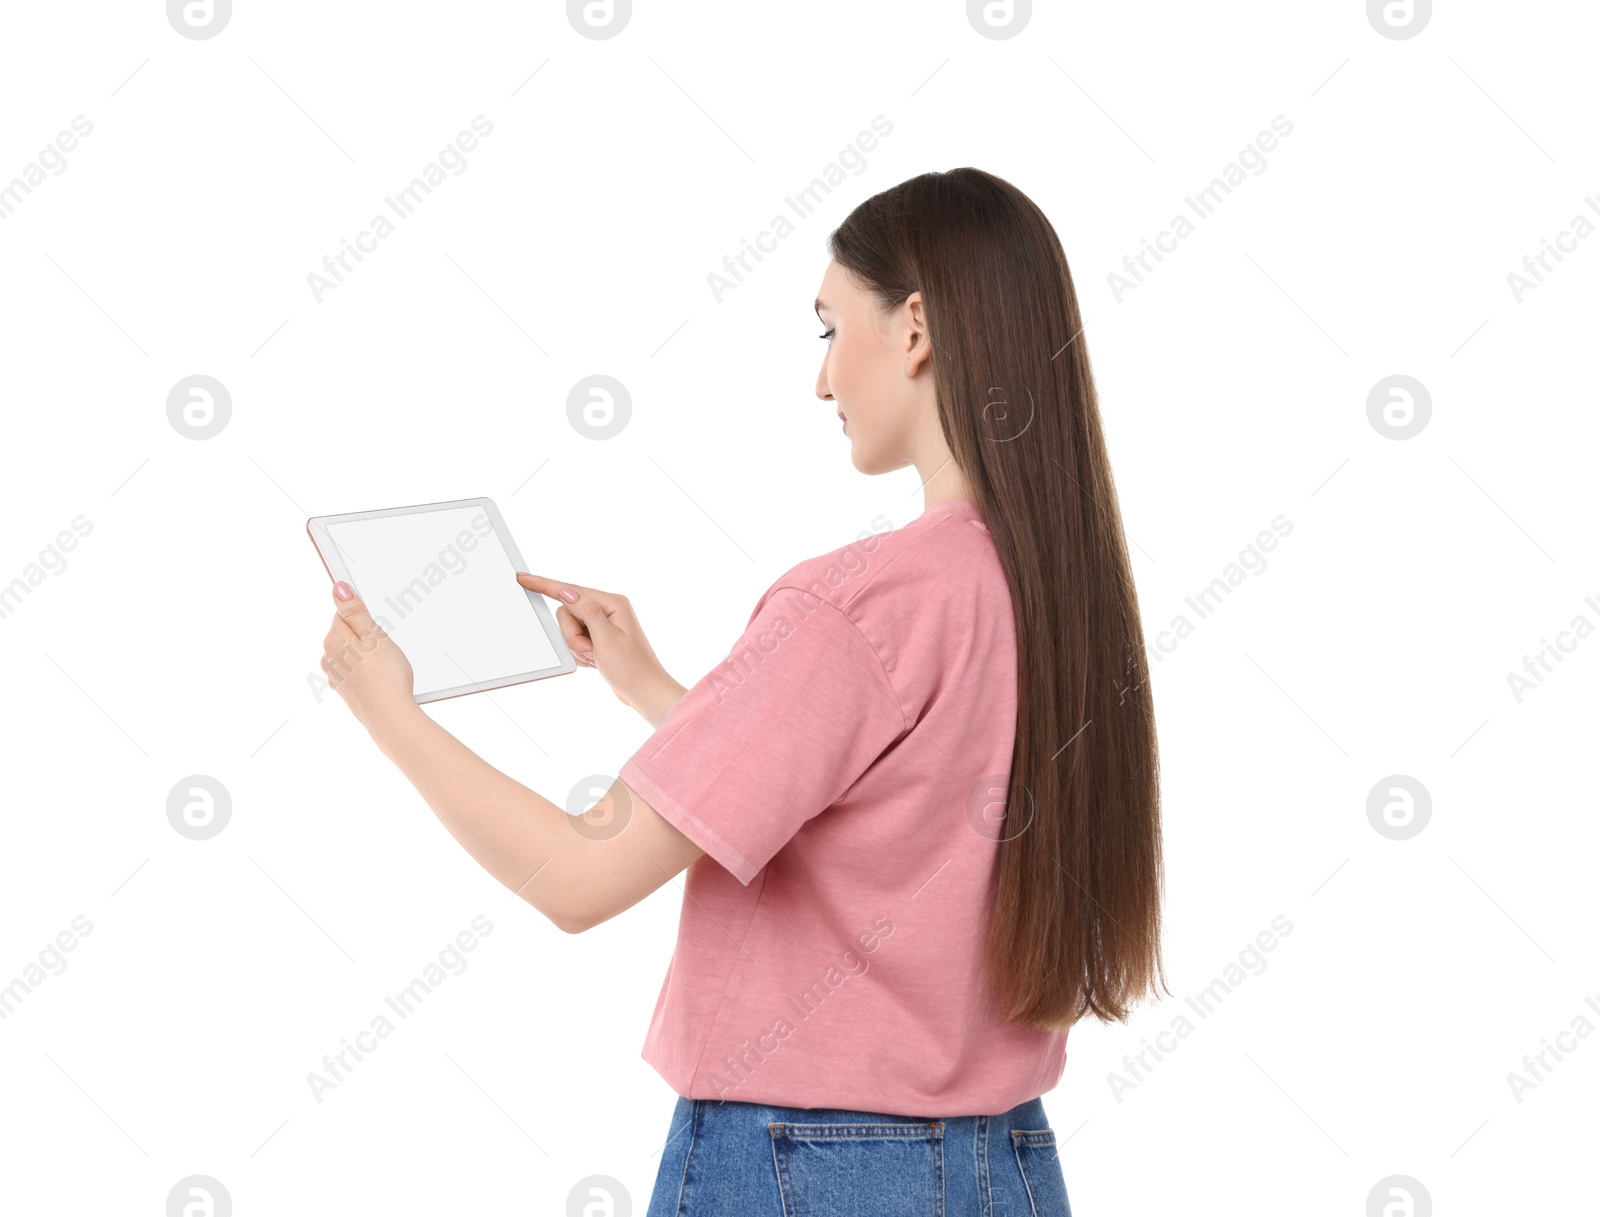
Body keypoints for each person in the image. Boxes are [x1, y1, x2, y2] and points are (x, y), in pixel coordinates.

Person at [320, 166, 1166, 1217]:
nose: (821, 382)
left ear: (916, 329)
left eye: (826, 330)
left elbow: (577, 877)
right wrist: (654, 689)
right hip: (1009, 1161)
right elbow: (876, 811)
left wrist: (386, 708)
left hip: (804, 1165)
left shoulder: (856, 600)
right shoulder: (1046, 591)